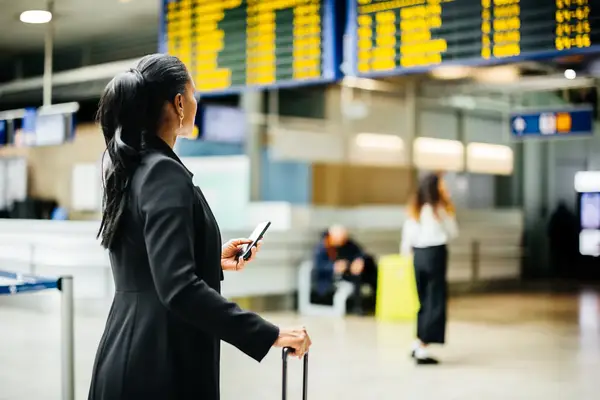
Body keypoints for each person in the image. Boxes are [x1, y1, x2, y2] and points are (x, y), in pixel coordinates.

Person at [88, 54, 311, 400]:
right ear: (179, 103)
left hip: (129, 347)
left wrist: (210, 259)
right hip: (160, 360)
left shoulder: (131, 167)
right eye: (193, 95)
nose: (195, 102)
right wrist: (270, 333)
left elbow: (144, 263)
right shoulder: (164, 173)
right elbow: (178, 289)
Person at [400, 173, 458, 365]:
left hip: (419, 256)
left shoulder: (415, 209)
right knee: (435, 301)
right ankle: (423, 349)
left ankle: (417, 343)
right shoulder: (439, 210)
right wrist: (449, 207)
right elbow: (453, 232)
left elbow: (407, 239)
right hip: (435, 255)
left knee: (423, 299)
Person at [313, 225, 377, 314]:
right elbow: (318, 266)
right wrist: (334, 267)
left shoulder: (348, 243)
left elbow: (361, 253)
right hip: (330, 279)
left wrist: (359, 261)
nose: (342, 242)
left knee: (368, 272)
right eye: (340, 239)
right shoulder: (322, 247)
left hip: (349, 274)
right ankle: (358, 307)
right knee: (356, 278)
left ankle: (366, 305)